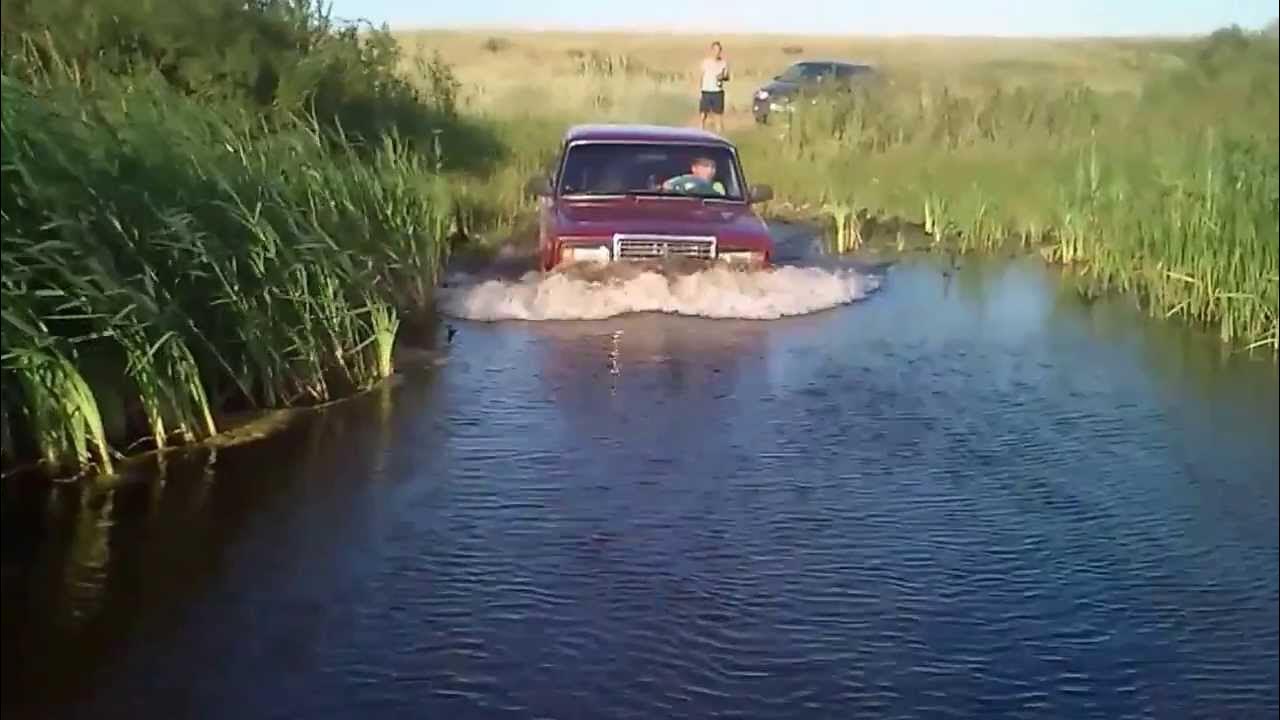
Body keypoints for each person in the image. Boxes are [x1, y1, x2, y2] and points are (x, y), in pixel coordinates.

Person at [698, 41, 729, 132]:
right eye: (715, 50)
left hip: (717, 92)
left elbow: (727, 77)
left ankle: (719, 135)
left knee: (718, 116)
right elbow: (701, 76)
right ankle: (701, 133)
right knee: (703, 115)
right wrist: (700, 90)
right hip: (706, 91)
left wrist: (722, 77)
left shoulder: (723, 63)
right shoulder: (705, 62)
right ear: (712, 51)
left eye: (719, 50)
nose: (717, 52)